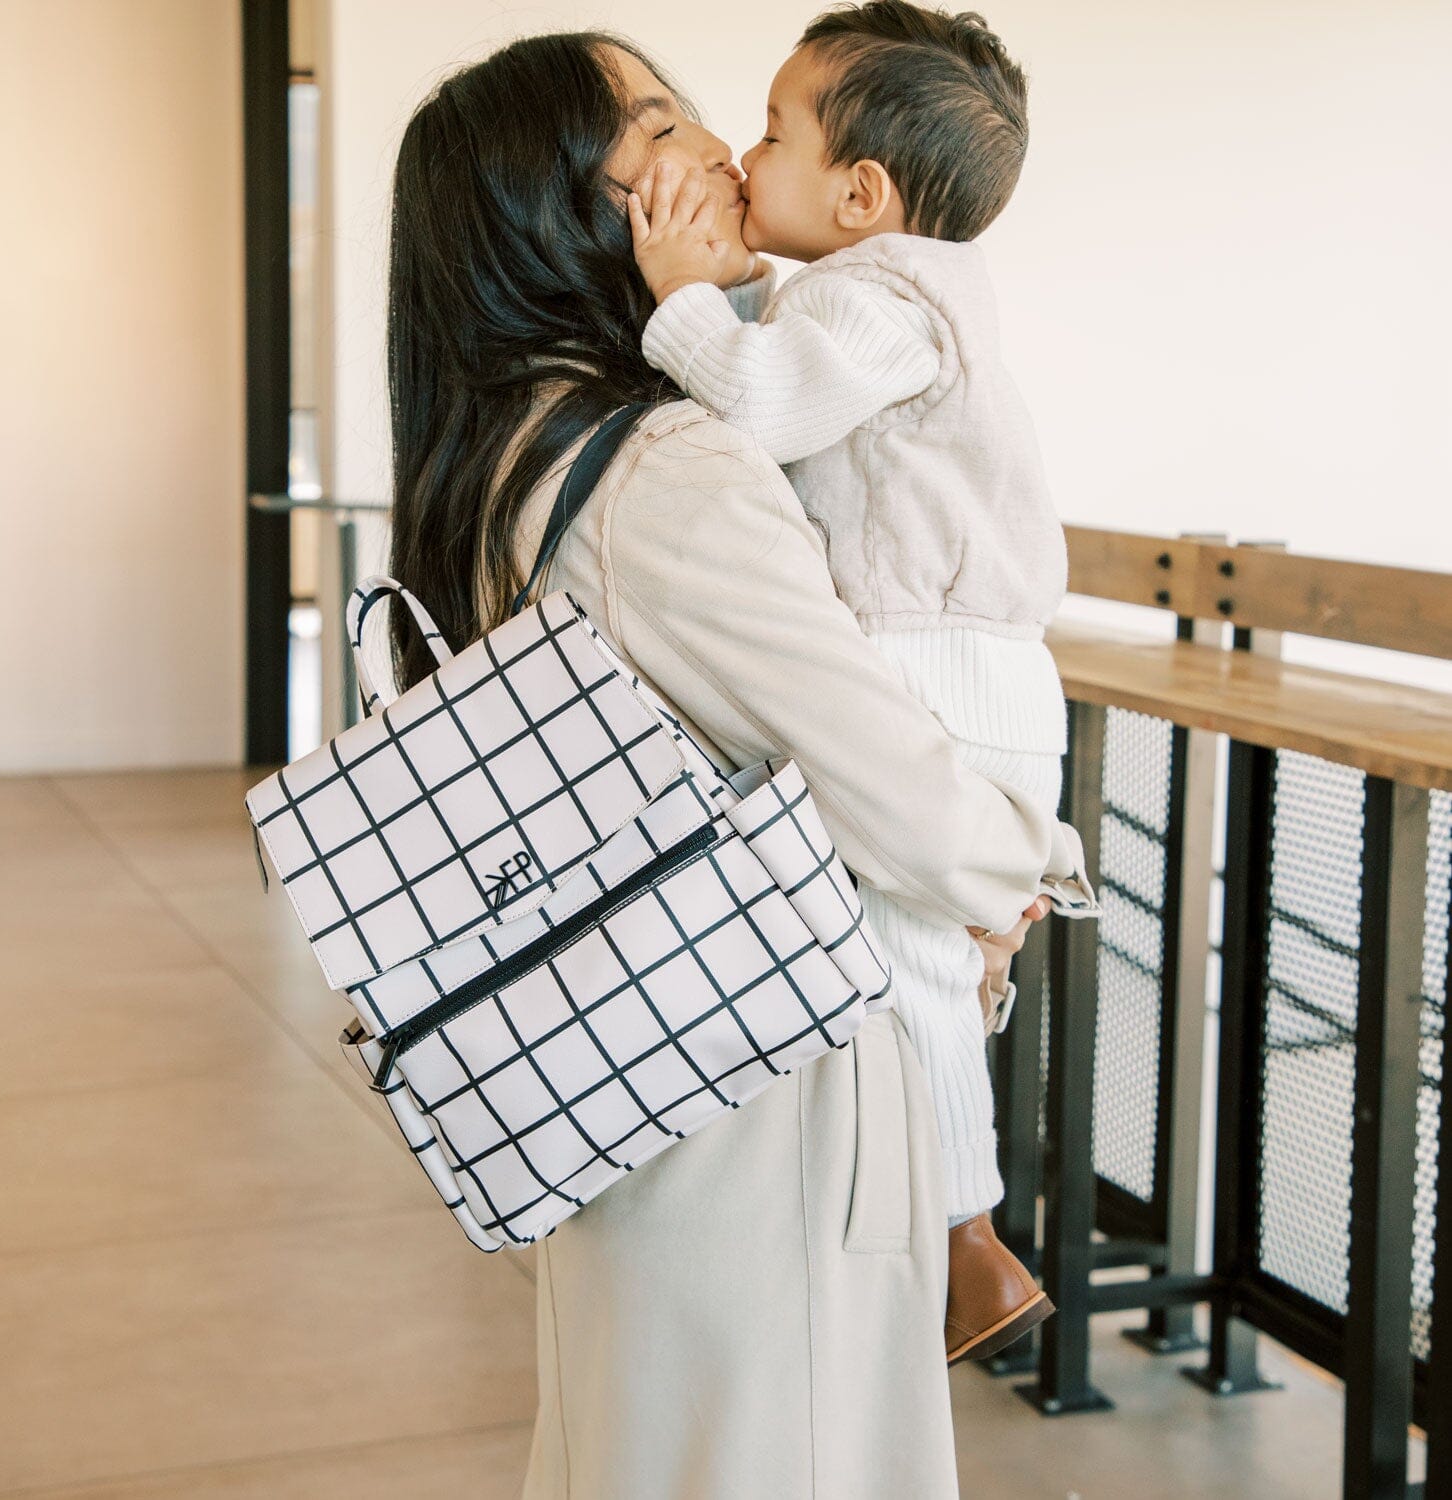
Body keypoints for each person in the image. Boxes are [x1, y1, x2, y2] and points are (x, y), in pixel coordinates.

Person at [384, 29, 1090, 1499]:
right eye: (658, 120)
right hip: (769, 1091)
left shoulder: (506, 459)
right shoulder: (665, 470)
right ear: (568, 204)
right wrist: (1006, 871)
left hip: (620, 1049)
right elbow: (873, 762)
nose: (715, 143)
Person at [625, 1, 1082, 1367]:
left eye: (772, 131)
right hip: (952, 659)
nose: (745, 157)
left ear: (863, 193)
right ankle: (951, 1215)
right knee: (906, 955)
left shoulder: (893, 297)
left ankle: (964, 1241)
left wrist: (679, 296)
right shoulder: (853, 296)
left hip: (939, 658)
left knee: (901, 967)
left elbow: (761, 404)